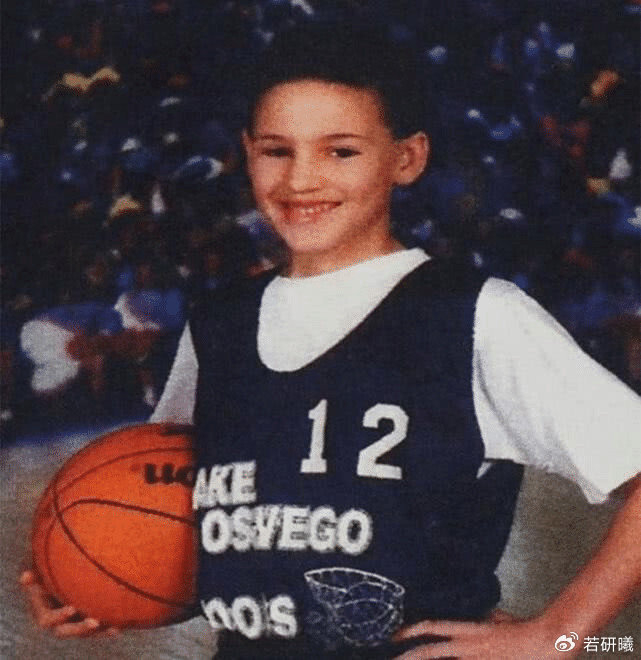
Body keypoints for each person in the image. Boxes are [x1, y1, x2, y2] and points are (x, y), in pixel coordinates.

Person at [21, 22, 641, 659]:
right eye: (277, 151)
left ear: (406, 159)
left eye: (340, 152)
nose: (301, 180)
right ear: (247, 152)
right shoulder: (218, 326)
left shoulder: (475, 314)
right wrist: (96, 578)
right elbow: (205, 524)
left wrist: (559, 635)